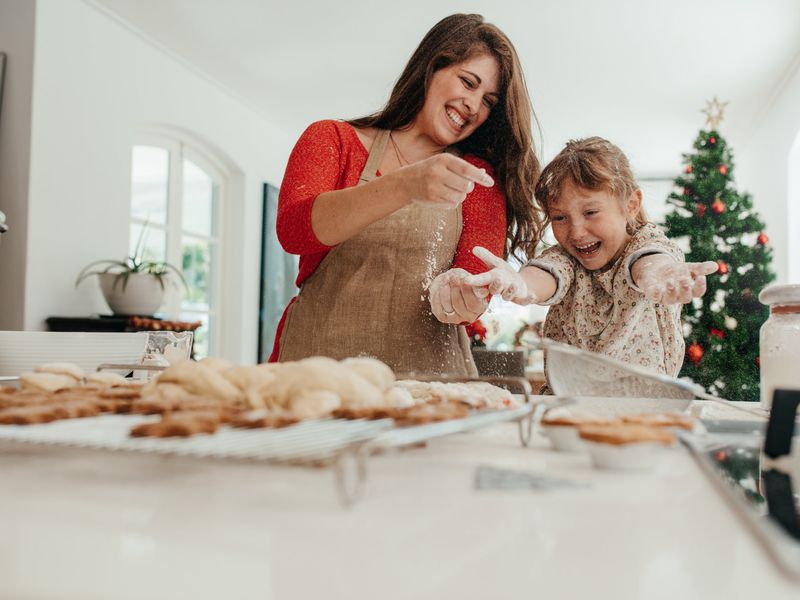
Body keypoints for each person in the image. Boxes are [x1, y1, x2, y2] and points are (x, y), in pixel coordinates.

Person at [269, 14, 544, 376]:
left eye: (489, 101)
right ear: (432, 67)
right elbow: (294, 230)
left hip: (431, 383)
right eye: (468, 82)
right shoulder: (333, 140)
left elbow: (473, 284)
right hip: (318, 372)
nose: (474, 106)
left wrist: (461, 299)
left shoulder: (477, 179)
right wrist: (405, 185)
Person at [458, 137, 718, 386]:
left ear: (631, 204)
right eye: (560, 218)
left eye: (590, 212)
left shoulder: (646, 246)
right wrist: (521, 284)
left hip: (641, 408)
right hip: (569, 403)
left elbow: (648, 262)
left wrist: (660, 273)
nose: (576, 232)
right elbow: (545, 276)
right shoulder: (567, 259)